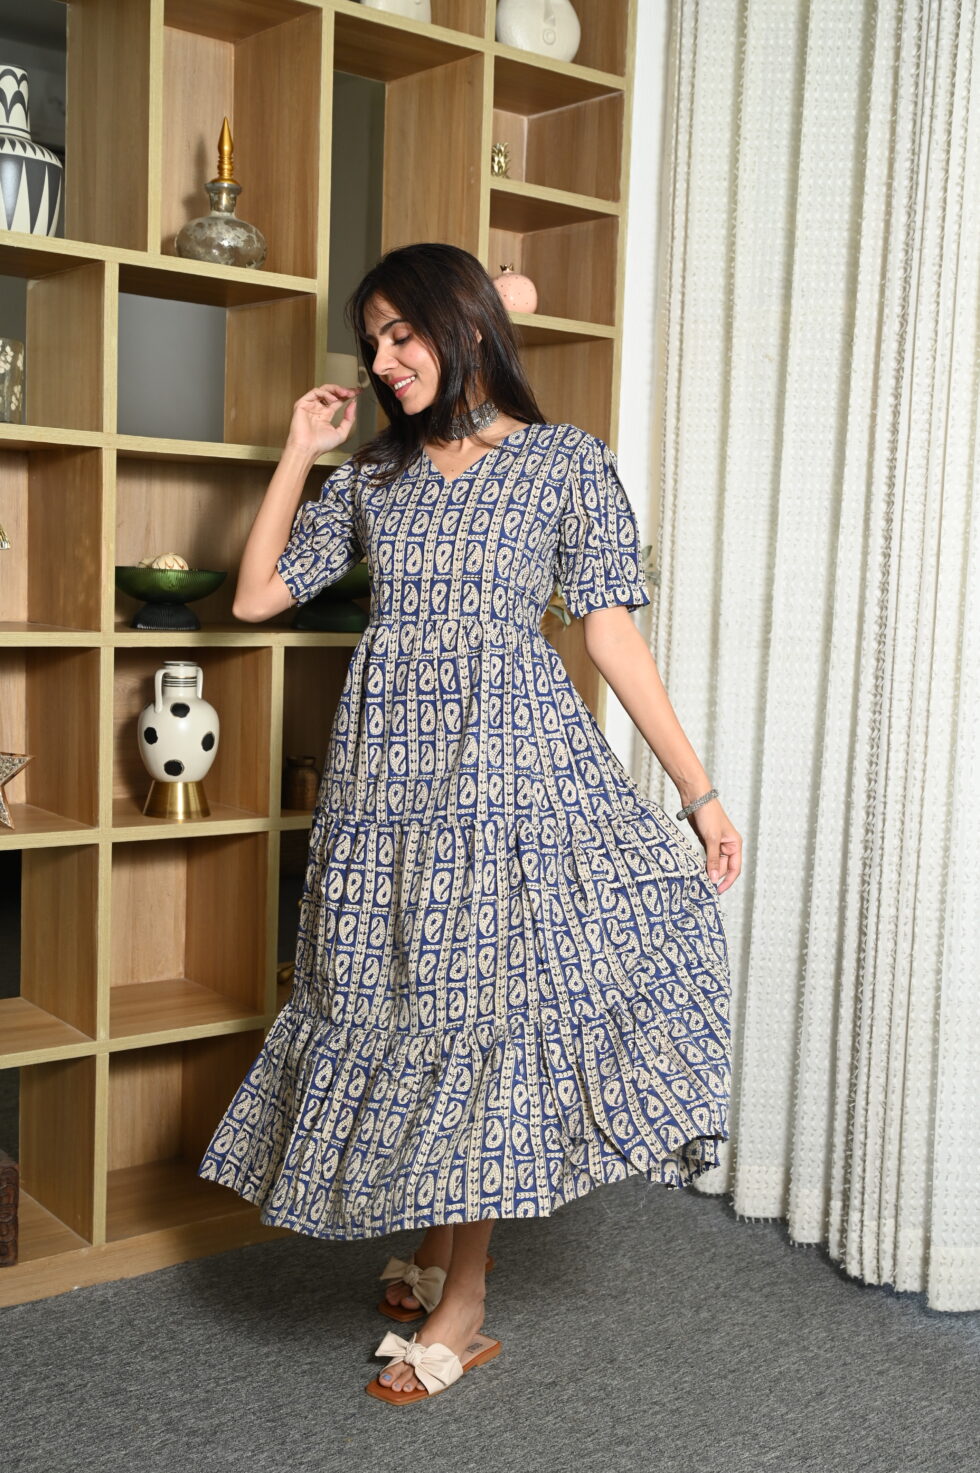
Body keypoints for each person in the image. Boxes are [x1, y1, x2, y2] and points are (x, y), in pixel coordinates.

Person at [198, 242, 742, 1405]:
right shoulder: (373, 477)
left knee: (479, 1008)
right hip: (386, 780)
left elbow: (608, 632)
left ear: (462, 327)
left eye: (402, 334)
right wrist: (298, 451)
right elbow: (253, 597)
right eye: (373, 342)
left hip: (508, 773)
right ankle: (441, 1243)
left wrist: (695, 793)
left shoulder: (561, 462)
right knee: (400, 989)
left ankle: (467, 1300)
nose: (384, 361)